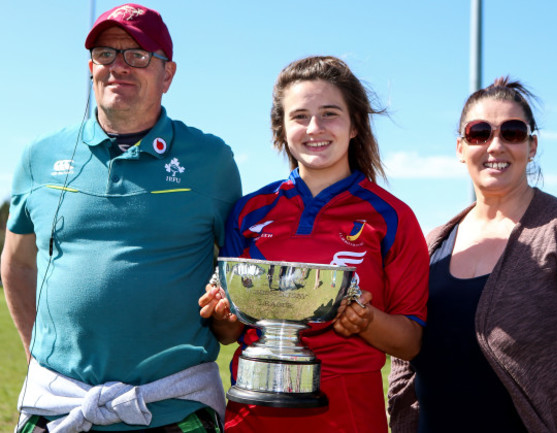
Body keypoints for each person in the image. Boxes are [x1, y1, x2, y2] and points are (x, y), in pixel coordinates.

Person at [1, 4, 241, 432]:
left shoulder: (212, 161)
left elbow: (234, 270)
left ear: (167, 74)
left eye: (138, 55)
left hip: (174, 407)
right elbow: (18, 262)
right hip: (61, 406)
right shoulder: (40, 156)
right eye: (106, 54)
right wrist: (35, 353)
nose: (119, 67)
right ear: (90, 67)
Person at [387, 77, 557, 433]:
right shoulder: (432, 243)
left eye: (513, 132)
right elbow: (405, 366)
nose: (495, 145)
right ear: (460, 148)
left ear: (532, 146)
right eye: (479, 133)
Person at [198, 55, 429, 433]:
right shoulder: (248, 212)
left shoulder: (391, 217)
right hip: (252, 414)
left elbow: (410, 342)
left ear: (355, 125)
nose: (315, 127)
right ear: (281, 128)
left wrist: (366, 321)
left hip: (349, 416)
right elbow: (229, 335)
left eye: (330, 114)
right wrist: (223, 314)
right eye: (300, 116)